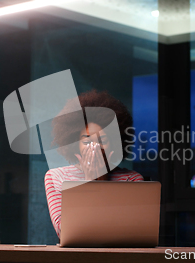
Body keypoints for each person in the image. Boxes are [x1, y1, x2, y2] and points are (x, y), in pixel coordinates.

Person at [44, 90, 143, 237]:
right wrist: (90, 182)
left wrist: (102, 182)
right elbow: (64, 231)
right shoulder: (56, 177)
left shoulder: (132, 180)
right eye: (87, 141)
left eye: (103, 141)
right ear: (75, 144)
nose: (94, 147)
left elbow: (130, 231)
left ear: (115, 144)